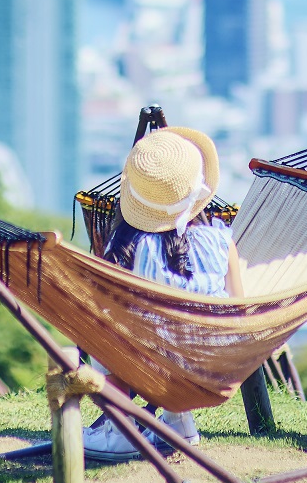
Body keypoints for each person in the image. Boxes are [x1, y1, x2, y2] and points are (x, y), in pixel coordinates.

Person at [80, 125, 245, 462]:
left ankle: (121, 430)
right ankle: (177, 420)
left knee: (102, 329)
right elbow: (239, 309)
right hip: (210, 369)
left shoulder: (125, 247)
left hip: (149, 369)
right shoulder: (221, 239)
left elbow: (111, 313)